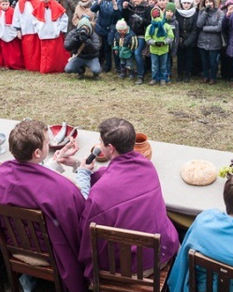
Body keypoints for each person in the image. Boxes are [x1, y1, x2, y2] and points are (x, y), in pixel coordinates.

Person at [0, 120, 89, 292]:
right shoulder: (60, 189)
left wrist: (54, 161)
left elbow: (30, 179)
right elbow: (79, 218)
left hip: (15, 245)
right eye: (47, 142)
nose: (49, 144)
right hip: (47, 250)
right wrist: (82, 173)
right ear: (37, 153)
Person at [77, 118, 180, 281]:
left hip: (132, 268)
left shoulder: (100, 192)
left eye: (100, 142)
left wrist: (83, 176)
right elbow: (116, 175)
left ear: (110, 148)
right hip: (163, 251)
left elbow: (87, 229)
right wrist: (80, 167)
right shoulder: (147, 166)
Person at [33, 0, 69, 74]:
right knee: (45, 52)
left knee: (56, 52)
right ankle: (46, 68)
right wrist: (38, 29)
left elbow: (64, 18)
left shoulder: (57, 6)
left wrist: (59, 29)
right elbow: (34, 20)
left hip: (54, 32)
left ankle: (57, 68)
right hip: (43, 32)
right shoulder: (38, 7)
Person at [196, 0, 224, 85]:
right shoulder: (202, 12)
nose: (208, 3)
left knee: (213, 61)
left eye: (210, 1)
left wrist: (205, 29)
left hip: (214, 41)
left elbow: (219, 28)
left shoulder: (220, 12)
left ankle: (213, 77)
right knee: (204, 60)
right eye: (206, 2)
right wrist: (205, 12)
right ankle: (206, 76)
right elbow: (199, 24)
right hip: (202, 41)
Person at [0, 0, 24, 69]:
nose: (5, 6)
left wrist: (16, 31)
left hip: (12, 34)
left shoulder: (13, 11)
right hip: (3, 33)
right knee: (6, 51)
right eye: (3, 4)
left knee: (15, 50)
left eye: (6, 4)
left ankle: (16, 64)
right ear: (0, 4)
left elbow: (16, 21)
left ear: (9, 3)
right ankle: (8, 64)